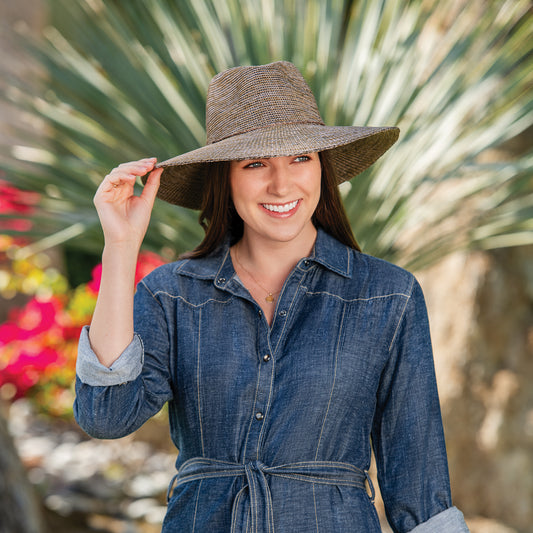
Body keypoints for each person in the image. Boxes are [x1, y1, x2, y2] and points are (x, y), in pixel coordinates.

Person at [74, 61, 470, 532]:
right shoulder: (172, 295)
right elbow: (105, 416)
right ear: (226, 178)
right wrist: (120, 248)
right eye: (256, 163)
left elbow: (420, 484)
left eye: (301, 158)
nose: (282, 185)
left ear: (322, 168)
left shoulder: (388, 296)